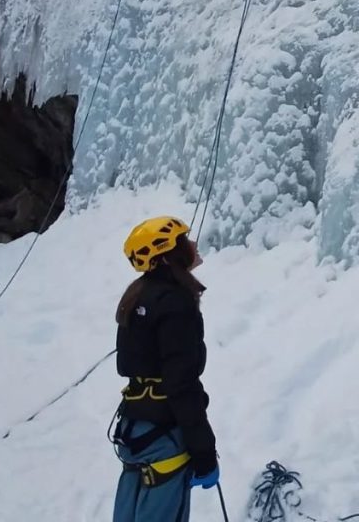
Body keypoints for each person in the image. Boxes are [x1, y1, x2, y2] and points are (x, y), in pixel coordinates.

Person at [110, 216, 220, 522]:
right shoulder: (176, 303)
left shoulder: (136, 296)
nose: (194, 244)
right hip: (163, 438)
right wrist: (204, 453)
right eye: (185, 239)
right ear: (170, 251)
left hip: (134, 429)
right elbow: (181, 383)